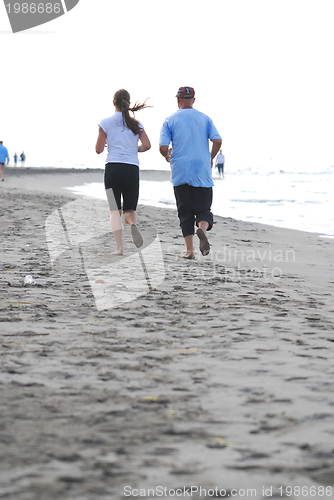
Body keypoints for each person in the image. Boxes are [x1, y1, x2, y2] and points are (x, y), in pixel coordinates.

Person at [159, 86, 222, 259]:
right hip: (201, 169)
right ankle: (201, 229)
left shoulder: (169, 120)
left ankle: (190, 251)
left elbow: (163, 147)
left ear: (178, 100)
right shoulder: (205, 118)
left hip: (180, 170)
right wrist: (210, 156)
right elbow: (217, 140)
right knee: (204, 209)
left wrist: (167, 155)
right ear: (193, 100)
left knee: (185, 212)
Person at [95, 89, 151, 255]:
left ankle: (119, 248)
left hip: (113, 169)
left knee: (114, 210)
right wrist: (133, 149)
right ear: (129, 102)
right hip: (131, 169)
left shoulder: (105, 123)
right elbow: (147, 145)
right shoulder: (136, 124)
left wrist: (107, 144)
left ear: (114, 103)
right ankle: (132, 224)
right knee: (130, 210)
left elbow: (98, 150)